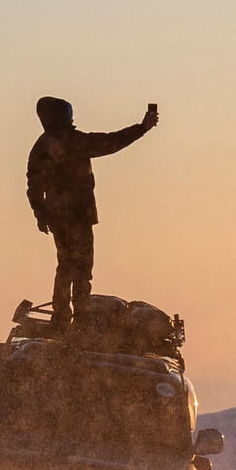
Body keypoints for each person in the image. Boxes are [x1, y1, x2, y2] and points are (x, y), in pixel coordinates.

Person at [26, 95, 157, 326]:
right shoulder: (71, 142)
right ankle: (79, 318)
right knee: (81, 267)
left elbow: (34, 188)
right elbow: (110, 142)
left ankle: (62, 317)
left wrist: (41, 216)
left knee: (66, 265)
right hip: (77, 216)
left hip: (60, 217)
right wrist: (142, 128)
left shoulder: (41, 146)